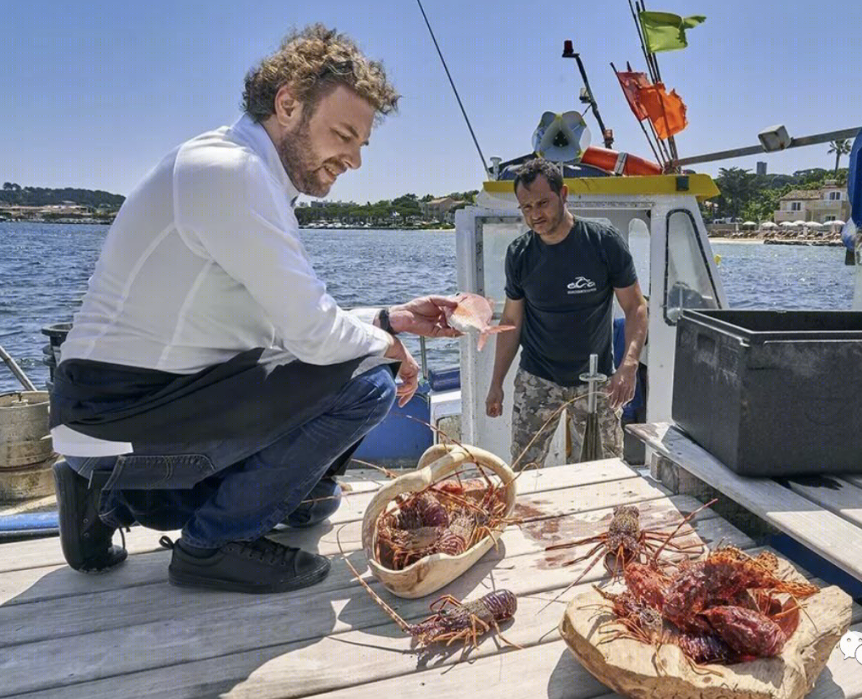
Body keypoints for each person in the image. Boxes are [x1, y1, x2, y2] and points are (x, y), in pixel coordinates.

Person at [48, 25, 461, 594]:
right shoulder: (229, 174)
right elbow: (314, 337)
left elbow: (285, 325)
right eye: (345, 134)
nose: (356, 160)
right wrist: (388, 348)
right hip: (126, 406)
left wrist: (389, 319)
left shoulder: (244, 172)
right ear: (287, 103)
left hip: (117, 408)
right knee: (371, 383)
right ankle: (212, 546)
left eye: (363, 143)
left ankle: (106, 501)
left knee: (314, 504)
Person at [485, 159, 648, 469]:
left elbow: (636, 307)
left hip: (594, 377)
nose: (535, 214)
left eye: (543, 203)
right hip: (537, 376)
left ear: (564, 194)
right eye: (526, 207)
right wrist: (496, 384)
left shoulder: (603, 243)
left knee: (605, 470)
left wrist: (628, 366)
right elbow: (510, 322)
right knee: (523, 469)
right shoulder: (519, 254)